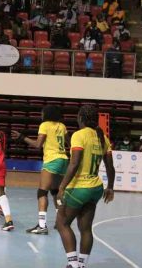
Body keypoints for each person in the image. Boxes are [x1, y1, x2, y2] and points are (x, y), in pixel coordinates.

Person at [56, 105, 115, 268]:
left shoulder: (79, 135)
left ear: (81, 118)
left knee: (62, 223)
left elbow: (74, 163)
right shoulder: (102, 137)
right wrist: (110, 187)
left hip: (79, 187)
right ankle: (82, 265)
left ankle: (73, 264)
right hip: (96, 188)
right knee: (85, 228)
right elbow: (110, 166)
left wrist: (61, 187)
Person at [11, 106, 69, 234]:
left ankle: (42, 226)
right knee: (55, 192)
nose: (41, 115)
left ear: (47, 114)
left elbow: (38, 145)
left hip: (52, 160)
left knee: (42, 193)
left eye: (42, 113)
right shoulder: (62, 126)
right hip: (63, 159)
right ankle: (61, 222)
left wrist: (22, 137)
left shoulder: (45, 125)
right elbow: (69, 143)